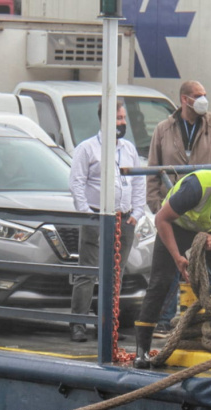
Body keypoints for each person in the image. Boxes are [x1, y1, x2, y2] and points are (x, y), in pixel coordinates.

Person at [134, 170, 211, 368]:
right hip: (175, 225)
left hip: (210, 229)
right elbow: (161, 219)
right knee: (160, 282)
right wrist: (177, 257)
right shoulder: (195, 188)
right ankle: (142, 351)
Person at [146, 80, 211, 338]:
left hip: (208, 213)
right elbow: (153, 171)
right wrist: (158, 207)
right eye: (198, 95)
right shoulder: (164, 130)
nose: (203, 99)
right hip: (175, 213)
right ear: (185, 99)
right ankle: (162, 322)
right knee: (168, 270)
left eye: (205, 94)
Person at [68, 100, 146, 342]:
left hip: (124, 219)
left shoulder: (129, 149)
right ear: (105, 119)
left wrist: (137, 213)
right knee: (88, 272)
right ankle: (78, 324)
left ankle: (108, 325)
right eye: (118, 118)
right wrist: (86, 213)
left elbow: (138, 181)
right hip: (96, 217)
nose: (122, 123)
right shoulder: (87, 148)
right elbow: (76, 182)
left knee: (115, 274)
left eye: (123, 118)